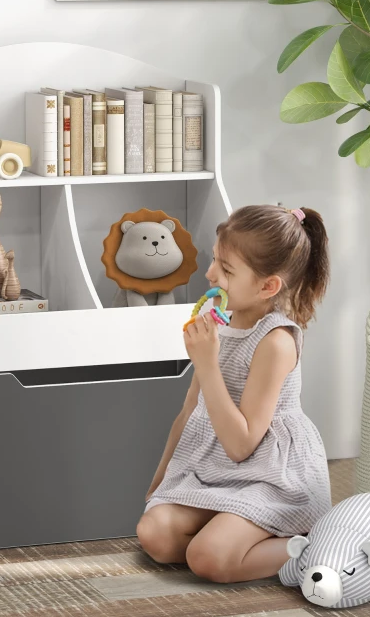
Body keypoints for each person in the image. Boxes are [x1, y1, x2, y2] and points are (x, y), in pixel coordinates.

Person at [137, 204, 332, 583]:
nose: (210, 275)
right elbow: (191, 408)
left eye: (226, 270)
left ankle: (314, 546)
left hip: (270, 476)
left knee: (207, 559)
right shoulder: (215, 315)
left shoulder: (276, 341)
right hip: (215, 469)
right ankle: (232, 533)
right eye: (215, 261)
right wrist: (161, 481)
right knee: (154, 534)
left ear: (267, 286)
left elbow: (242, 445)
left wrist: (207, 363)